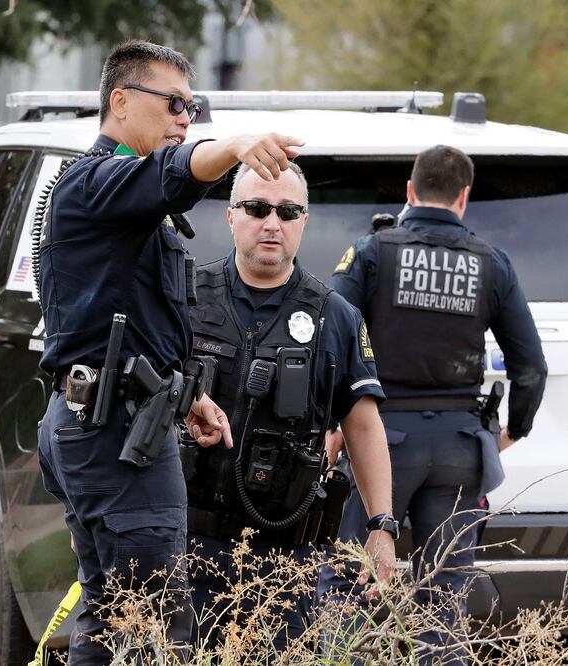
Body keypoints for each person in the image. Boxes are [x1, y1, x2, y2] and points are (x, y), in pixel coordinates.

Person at [36, 39, 304, 665]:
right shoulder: (98, 181)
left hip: (121, 421)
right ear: (121, 101)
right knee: (151, 618)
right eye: (176, 103)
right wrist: (236, 146)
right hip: (112, 434)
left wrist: (189, 395)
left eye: (195, 106)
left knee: (116, 615)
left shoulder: (124, 206)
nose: (187, 118)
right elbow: (173, 173)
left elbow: (137, 320)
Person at [320, 145, 548, 661]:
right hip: (458, 449)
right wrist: (513, 431)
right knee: (443, 604)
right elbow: (531, 365)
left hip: (379, 442)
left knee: (347, 591)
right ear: (464, 197)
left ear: (409, 191)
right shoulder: (492, 264)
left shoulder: (372, 253)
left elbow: (329, 337)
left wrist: (333, 423)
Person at [180, 161, 396, 654]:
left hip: (283, 563)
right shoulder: (186, 300)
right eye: (257, 208)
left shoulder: (335, 316)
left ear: (304, 221)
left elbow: (362, 428)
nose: (271, 223)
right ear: (231, 217)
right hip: (184, 550)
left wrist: (382, 525)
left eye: (287, 211)